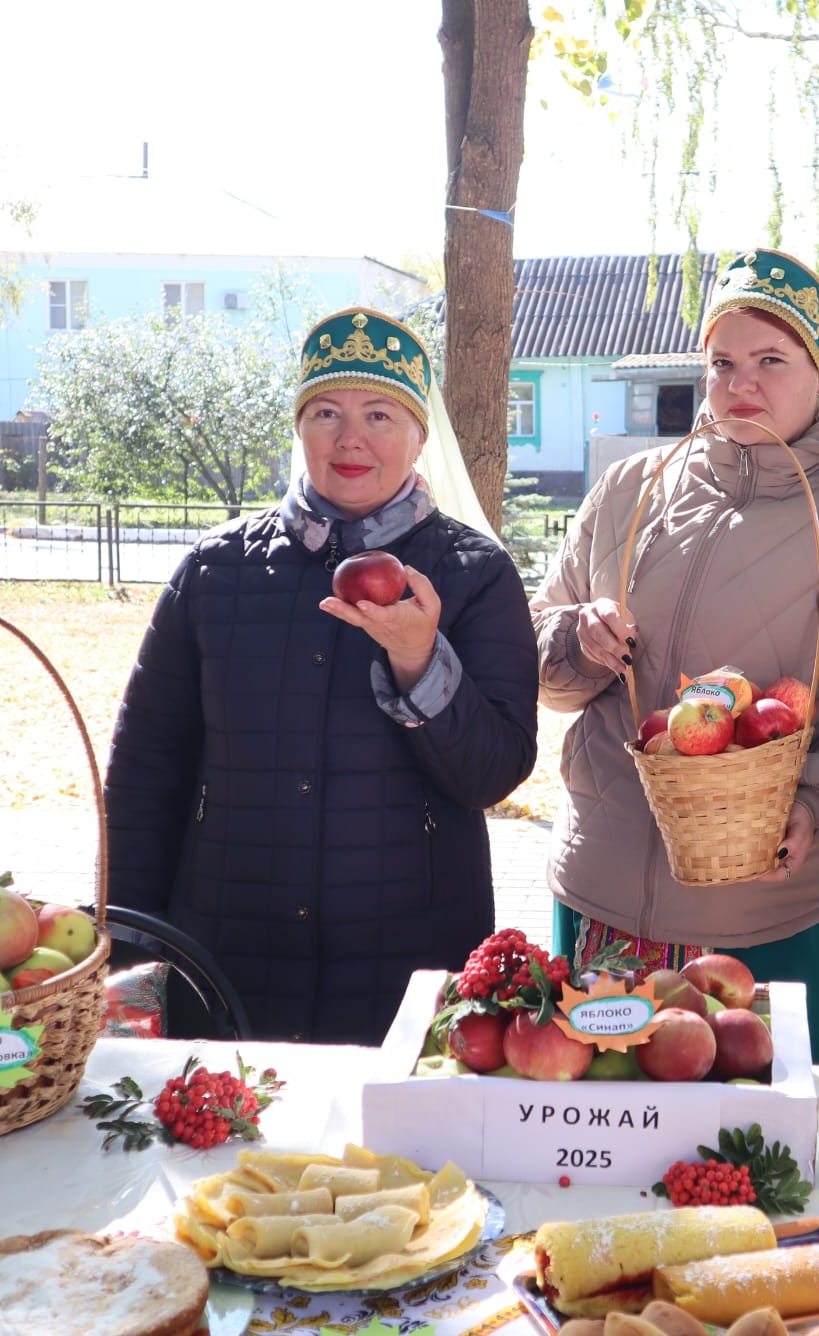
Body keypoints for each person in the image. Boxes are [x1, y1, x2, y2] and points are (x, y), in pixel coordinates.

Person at [532, 248, 819, 1053]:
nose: (739, 385)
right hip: (604, 890)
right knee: (606, 1141)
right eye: (722, 362)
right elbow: (542, 648)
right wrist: (575, 639)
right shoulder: (630, 489)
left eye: (769, 362)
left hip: (776, 907)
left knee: (764, 1153)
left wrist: (815, 807)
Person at [105, 307, 538, 1044]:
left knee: (391, 1159)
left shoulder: (474, 575)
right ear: (299, 428)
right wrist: (129, 941)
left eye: (380, 413)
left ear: (418, 436)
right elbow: (146, 772)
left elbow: (492, 773)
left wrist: (419, 661)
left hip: (408, 952)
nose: (352, 438)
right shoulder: (215, 573)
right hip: (225, 949)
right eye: (327, 412)